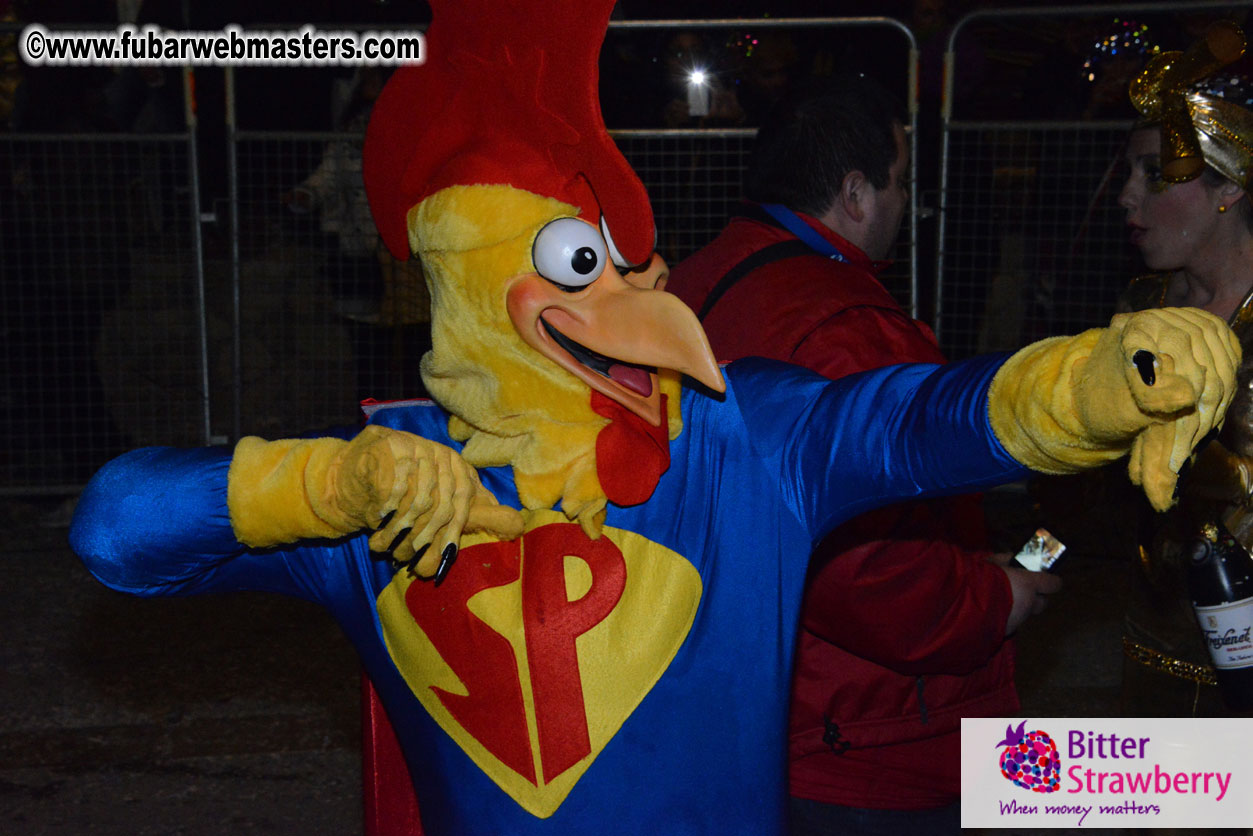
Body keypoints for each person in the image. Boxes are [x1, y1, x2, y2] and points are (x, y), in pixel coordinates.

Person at [67, 2, 1239, 834]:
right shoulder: (389, 496)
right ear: (469, 287)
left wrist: (1092, 382)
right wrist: (325, 487)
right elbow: (116, 528)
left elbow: (913, 419)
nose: (640, 304)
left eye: (631, 265)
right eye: (582, 266)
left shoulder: (737, 442)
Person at [666, 76, 1059, 835]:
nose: (906, 204)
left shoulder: (691, 285)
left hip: (729, 700)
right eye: (900, 182)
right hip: (858, 736)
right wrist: (994, 599)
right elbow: (869, 568)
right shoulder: (849, 331)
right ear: (854, 193)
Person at [1107, 21, 1253, 716]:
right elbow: (1085, 482)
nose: (1126, 197)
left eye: (1155, 174)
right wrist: (1026, 567)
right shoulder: (1140, 308)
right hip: (1152, 649)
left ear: (1230, 186)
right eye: (1127, 173)